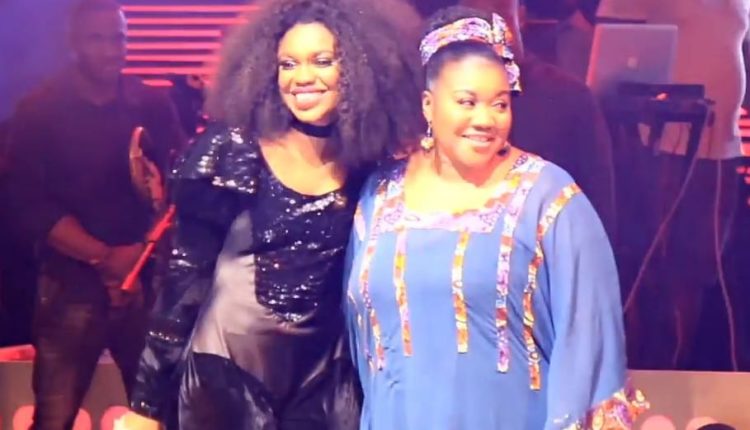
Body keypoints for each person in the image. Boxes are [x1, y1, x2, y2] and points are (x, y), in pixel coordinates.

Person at [118, 0, 424, 428]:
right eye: (287, 64)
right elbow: (183, 284)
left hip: (323, 390)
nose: (302, 77)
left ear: (360, 67)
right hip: (225, 383)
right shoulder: (231, 152)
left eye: (322, 61)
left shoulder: (368, 166)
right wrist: (145, 407)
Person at [344, 7, 647, 429]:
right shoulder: (379, 196)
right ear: (428, 105)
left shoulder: (549, 199)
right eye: (467, 102)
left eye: (500, 104)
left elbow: (590, 341)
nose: (485, 119)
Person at [4, 0, 185, 428]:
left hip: (144, 281)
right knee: (54, 418)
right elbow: (28, 204)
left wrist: (141, 254)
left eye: (118, 39)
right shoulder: (39, 111)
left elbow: (178, 186)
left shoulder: (151, 103)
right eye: (97, 39)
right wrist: (105, 259)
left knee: (162, 414)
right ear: (73, 44)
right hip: (70, 284)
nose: (110, 50)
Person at [597, 0, 749, 369]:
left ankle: (679, 371)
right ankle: (642, 372)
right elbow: (608, 59)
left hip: (722, 146)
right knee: (653, 270)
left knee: (699, 272)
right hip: (658, 144)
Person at [461, 0, 617, 239]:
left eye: (500, 15)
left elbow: (598, 209)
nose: (490, 30)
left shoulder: (570, 97)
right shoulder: (441, 97)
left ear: (521, 17)